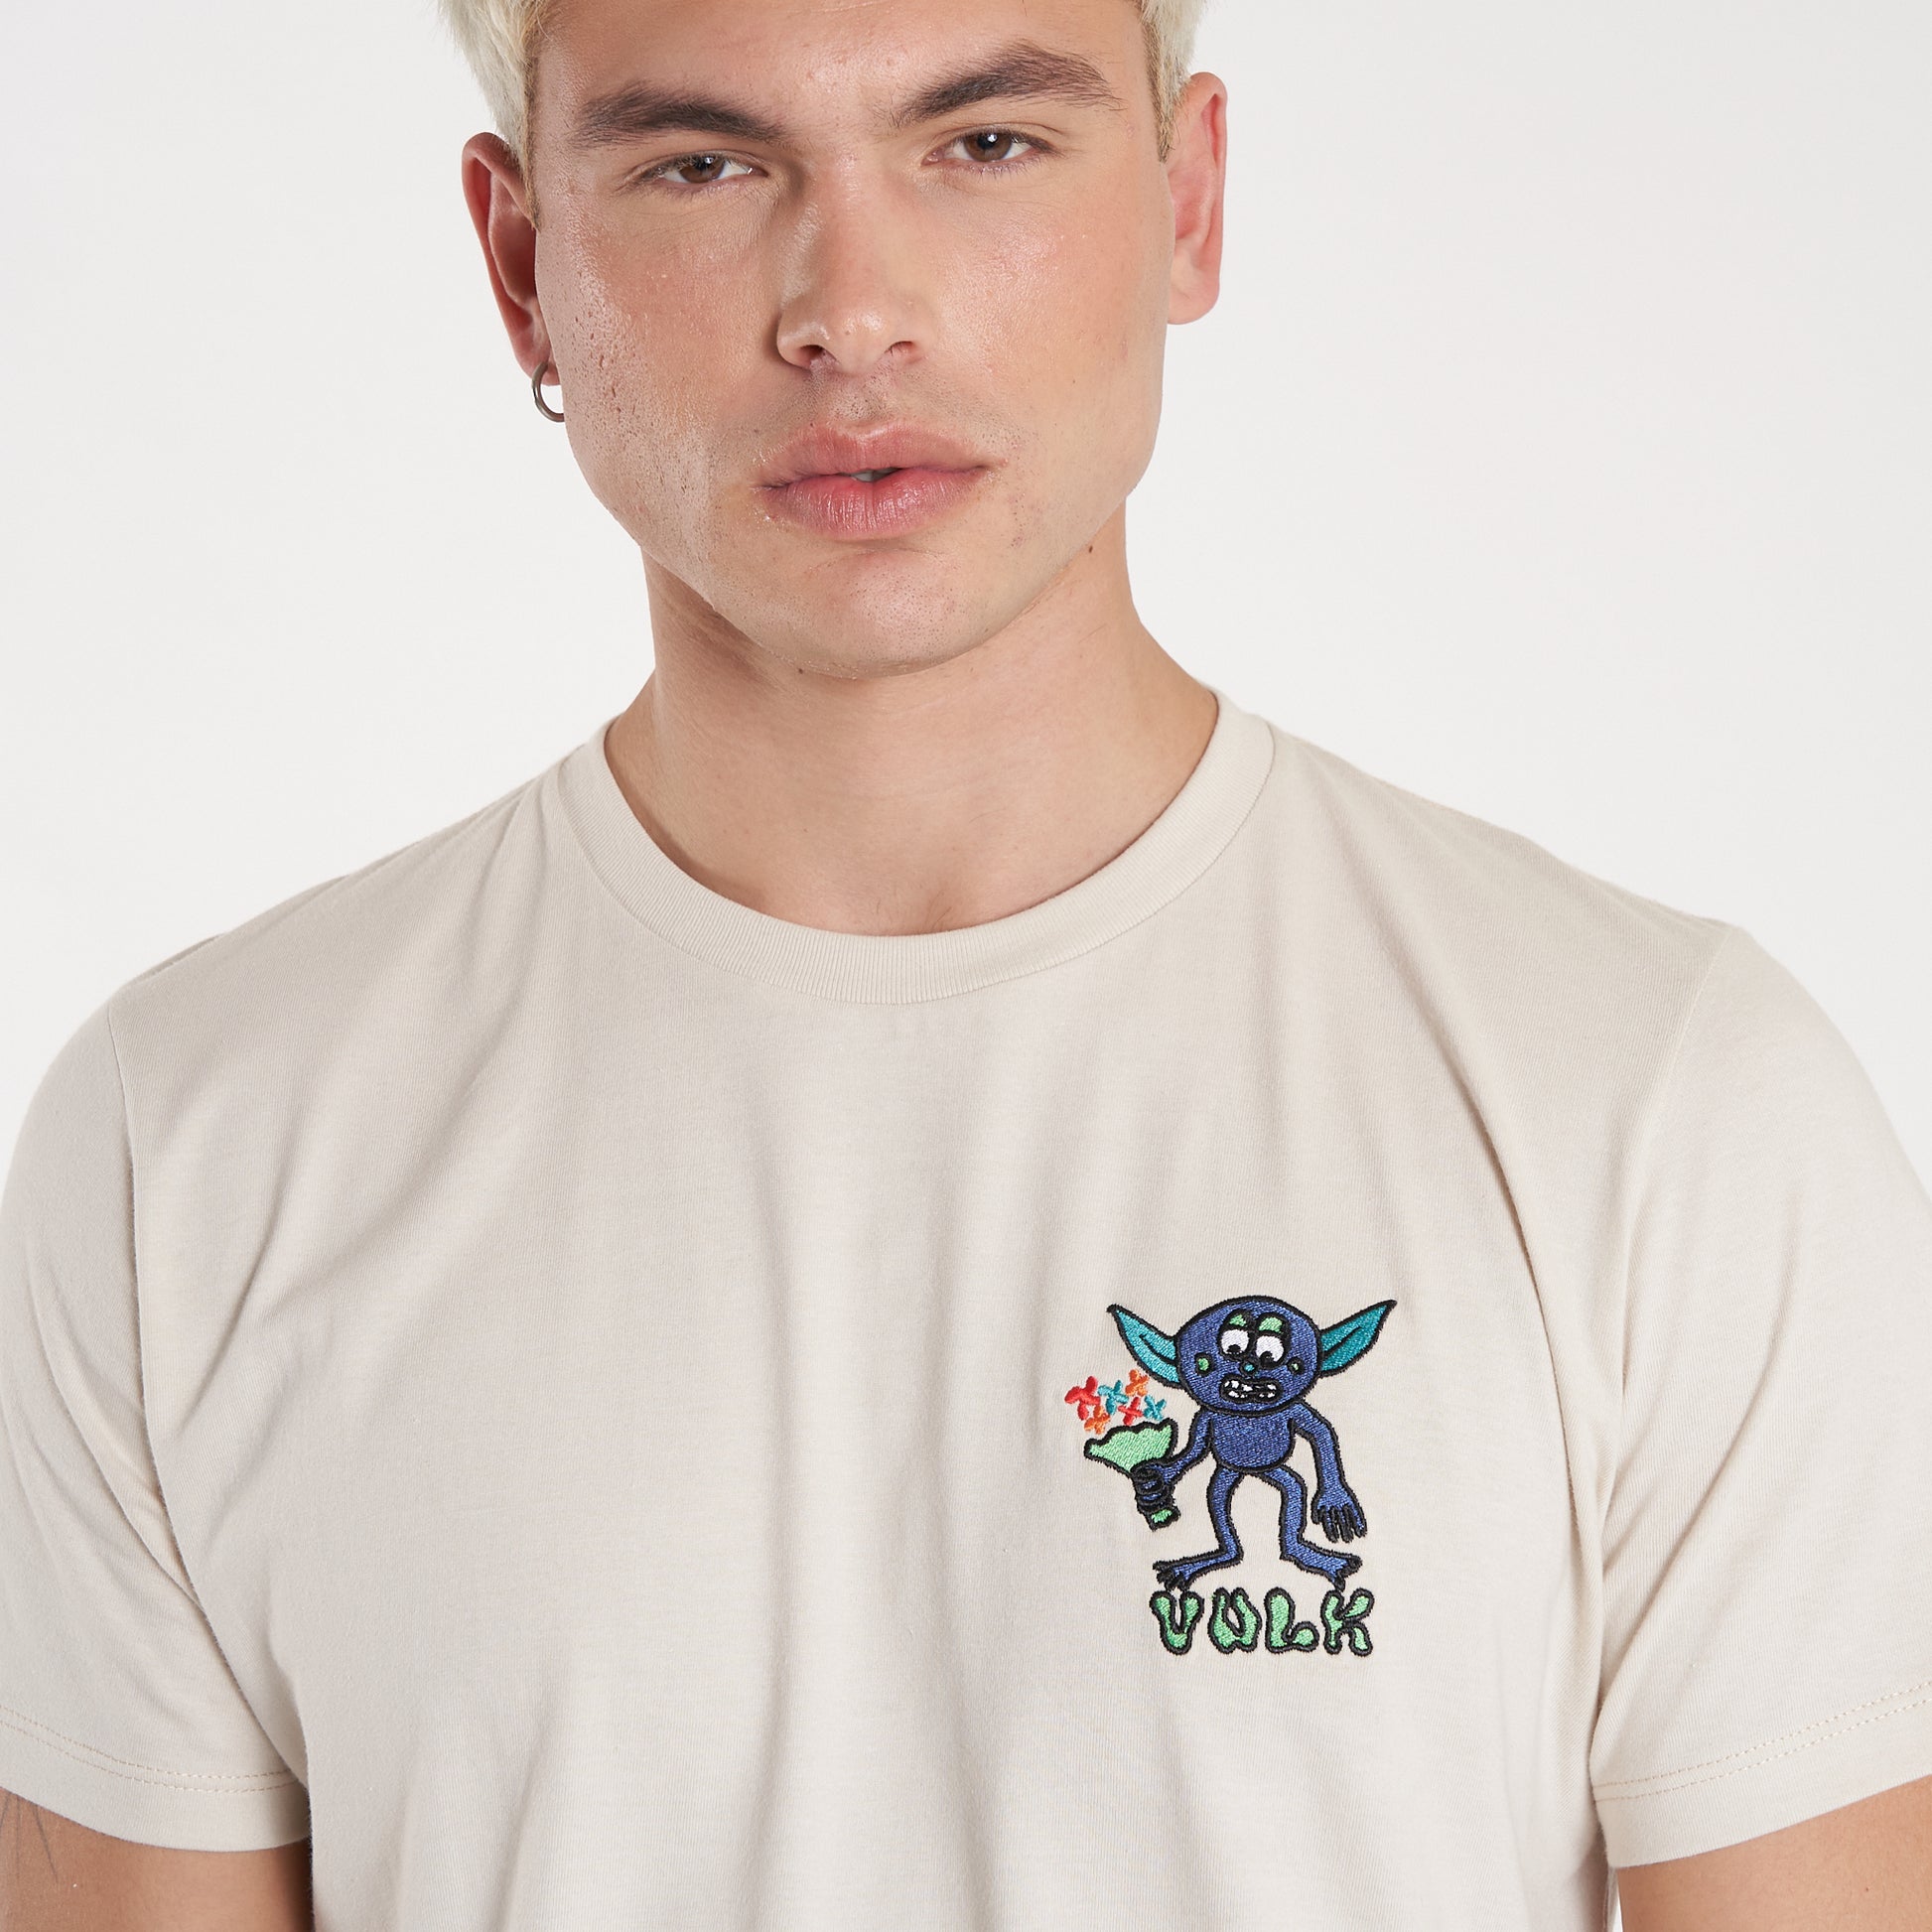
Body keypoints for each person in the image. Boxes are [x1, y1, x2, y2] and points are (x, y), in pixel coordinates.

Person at [1, 0, 1928, 1925]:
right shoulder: (188, 1152)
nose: (851, 312)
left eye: (984, 144)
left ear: (1186, 202)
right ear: (524, 269)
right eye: (704, 164)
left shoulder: (1657, 1102)